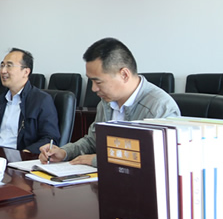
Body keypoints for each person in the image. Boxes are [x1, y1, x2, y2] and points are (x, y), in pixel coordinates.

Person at [40, 38, 180, 167]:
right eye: (91, 81)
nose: (93, 89)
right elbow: (92, 141)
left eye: (98, 82)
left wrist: (98, 160)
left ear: (124, 75)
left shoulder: (160, 107)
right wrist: (64, 152)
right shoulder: (106, 103)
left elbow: (161, 159)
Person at [0, 48, 60, 152]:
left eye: (9, 66)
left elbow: (50, 139)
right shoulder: (0, 100)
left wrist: (27, 152)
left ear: (26, 72)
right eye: (2, 65)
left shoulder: (41, 101)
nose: (3, 71)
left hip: (21, 157)